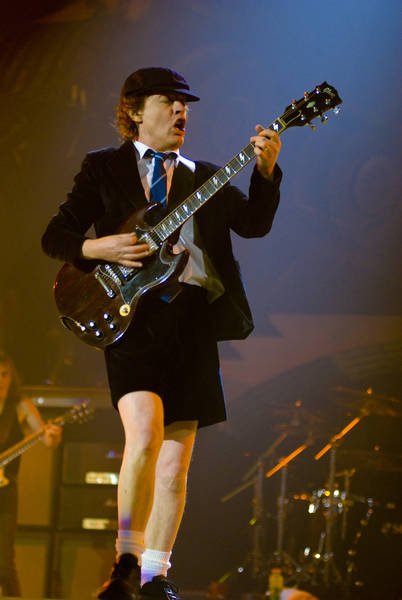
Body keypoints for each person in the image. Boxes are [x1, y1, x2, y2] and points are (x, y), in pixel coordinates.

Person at [41, 66, 282, 600]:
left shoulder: (204, 176)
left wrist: (266, 172)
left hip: (192, 323)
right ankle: (125, 564)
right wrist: (98, 247)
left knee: (174, 464)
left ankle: (156, 577)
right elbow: (55, 235)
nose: (180, 111)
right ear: (133, 111)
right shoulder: (104, 167)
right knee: (146, 434)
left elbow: (254, 225)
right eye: (169, 101)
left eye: (185, 104)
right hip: (133, 321)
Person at [0, 351, 61, 597]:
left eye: (4, 374)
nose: (1, 380)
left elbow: (47, 440)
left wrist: (53, 436)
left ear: (12, 376)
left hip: (6, 491)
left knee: (4, 561)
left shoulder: (21, 406)